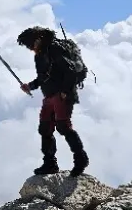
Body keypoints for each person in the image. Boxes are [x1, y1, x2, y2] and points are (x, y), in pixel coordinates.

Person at [16, 26, 89, 177]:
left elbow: (70, 70)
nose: (30, 48)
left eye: (30, 44)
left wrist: (64, 91)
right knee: (45, 128)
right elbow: (43, 78)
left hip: (61, 95)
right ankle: (50, 164)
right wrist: (30, 86)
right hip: (49, 96)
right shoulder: (40, 55)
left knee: (63, 126)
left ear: (38, 39)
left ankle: (80, 159)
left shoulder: (54, 49)